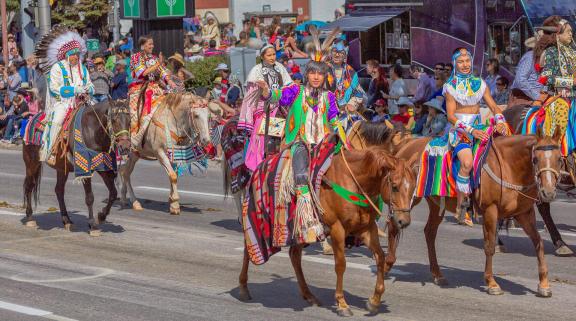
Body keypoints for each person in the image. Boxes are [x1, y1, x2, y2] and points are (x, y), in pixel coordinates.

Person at [256, 27, 343, 243]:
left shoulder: (329, 97)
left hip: (324, 144)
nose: (315, 77)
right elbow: (277, 96)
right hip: (300, 142)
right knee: (302, 174)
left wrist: (341, 132)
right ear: (307, 74)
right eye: (312, 73)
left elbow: (334, 120)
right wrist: (267, 92)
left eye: (320, 73)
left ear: (325, 76)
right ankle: (308, 223)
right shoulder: (295, 91)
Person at [443, 48, 508, 223]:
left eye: (467, 61)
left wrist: (500, 120)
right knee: (467, 162)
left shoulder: (480, 83)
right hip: (460, 130)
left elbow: (494, 107)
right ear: (455, 64)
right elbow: (450, 116)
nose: (465, 65)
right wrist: (471, 130)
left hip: (480, 126)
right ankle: (461, 206)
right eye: (461, 62)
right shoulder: (450, 87)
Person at [36, 27, 95, 163]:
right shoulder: (57, 68)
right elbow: (54, 88)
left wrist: (88, 90)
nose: (76, 57)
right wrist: (75, 90)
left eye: (77, 54)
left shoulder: (82, 68)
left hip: (83, 103)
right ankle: (49, 151)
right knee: (57, 120)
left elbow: (91, 86)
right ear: (67, 54)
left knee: (101, 116)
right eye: (73, 54)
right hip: (63, 103)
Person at [238, 44, 292, 172]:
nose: (272, 57)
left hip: (281, 106)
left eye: (274, 54)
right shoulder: (256, 70)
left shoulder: (280, 68)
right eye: (269, 55)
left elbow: (288, 86)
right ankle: (257, 165)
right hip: (264, 109)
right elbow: (251, 95)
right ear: (262, 57)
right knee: (261, 137)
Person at [532, 16, 576, 156]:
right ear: (558, 34)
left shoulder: (573, 53)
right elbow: (547, 78)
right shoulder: (551, 52)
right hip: (559, 98)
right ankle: (553, 149)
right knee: (562, 112)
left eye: (571, 32)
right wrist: (570, 82)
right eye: (567, 31)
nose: (571, 34)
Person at [129, 35, 177, 147]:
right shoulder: (136, 57)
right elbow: (142, 73)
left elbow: (162, 72)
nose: (152, 46)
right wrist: (158, 64)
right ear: (142, 46)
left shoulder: (154, 58)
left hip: (156, 87)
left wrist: (169, 81)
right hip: (140, 88)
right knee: (135, 113)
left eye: (152, 44)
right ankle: (135, 137)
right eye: (149, 44)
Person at [328, 41, 365, 129]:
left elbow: (358, 93)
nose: (337, 55)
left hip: (344, 114)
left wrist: (352, 104)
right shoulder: (324, 69)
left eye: (340, 53)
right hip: (325, 113)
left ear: (345, 55)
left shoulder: (351, 73)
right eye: (334, 52)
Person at [509, 33, 543, 106]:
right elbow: (520, 79)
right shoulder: (530, 57)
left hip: (534, 98)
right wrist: (537, 96)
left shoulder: (540, 58)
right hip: (524, 99)